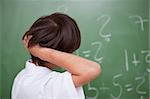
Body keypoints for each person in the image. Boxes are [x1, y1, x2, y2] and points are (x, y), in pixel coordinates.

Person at [11, 12, 101, 99]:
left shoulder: (22, 76)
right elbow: (92, 69)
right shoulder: (50, 85)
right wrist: (40, 51)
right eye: (69, 52)